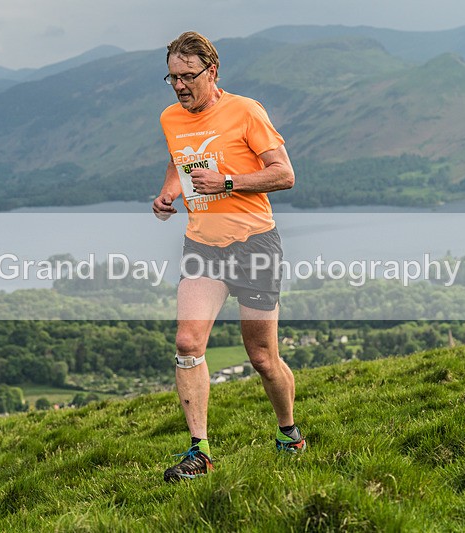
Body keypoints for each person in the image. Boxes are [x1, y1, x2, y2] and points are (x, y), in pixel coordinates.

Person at [152, 31, 305, 483]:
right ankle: (199, 451)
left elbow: (285, 174)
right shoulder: (170, 117)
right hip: (202, 247)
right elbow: (178, 159)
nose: (180, 86)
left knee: (262, 357)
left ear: (211, 71)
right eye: (172, 77)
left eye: (188, 76)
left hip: (255, 246)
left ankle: (288, 433)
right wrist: (168, 191)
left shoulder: (245, 110)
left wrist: (229, 183)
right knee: (187, 344)